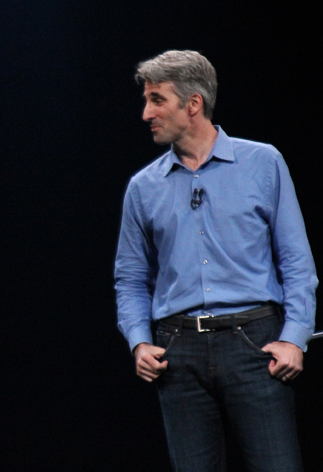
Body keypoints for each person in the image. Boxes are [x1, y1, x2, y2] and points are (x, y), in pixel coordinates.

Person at [114, 50, 317, 471]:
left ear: (193, 104)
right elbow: (131, 278)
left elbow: (296, 261)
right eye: (147, 100)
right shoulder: (143, 186)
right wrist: (138, 340)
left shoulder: (262, 162)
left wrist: (294, 337)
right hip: (177, 351)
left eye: (157, 100)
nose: (146, 113)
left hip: (255, 345)